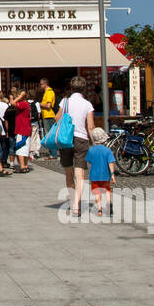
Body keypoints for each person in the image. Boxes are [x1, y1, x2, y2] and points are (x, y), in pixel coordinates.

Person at [56, 76, 95, 215]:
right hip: (81, 139)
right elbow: (90, 127)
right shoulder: (87, 104)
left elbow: (57, 118)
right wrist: (94, 143)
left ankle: (72, 200)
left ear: (71, 88)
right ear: (84, 88)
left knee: (68, 172)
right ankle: (76, 205)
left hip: (66, 139)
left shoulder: (65, 102)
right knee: (80, 174)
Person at [85, 126, 116, 217]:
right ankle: (109, 203)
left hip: (94, 176)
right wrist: (113, 174)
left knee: (97, 192)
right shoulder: (107, 150)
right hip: (105, 175)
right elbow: (111, 162)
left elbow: (89, 160)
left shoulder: (91, 150)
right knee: (107, 190)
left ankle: (99, 209)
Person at [37, 78, 57, 143]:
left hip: (49, 116)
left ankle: (53, 152)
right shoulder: (47, 92)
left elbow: (48, 105)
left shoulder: (49, 92)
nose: (40, 86)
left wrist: (39, 104)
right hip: (46, 116)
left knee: (49, 135)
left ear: (45, 84)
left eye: (41, 84)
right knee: (49, 135)